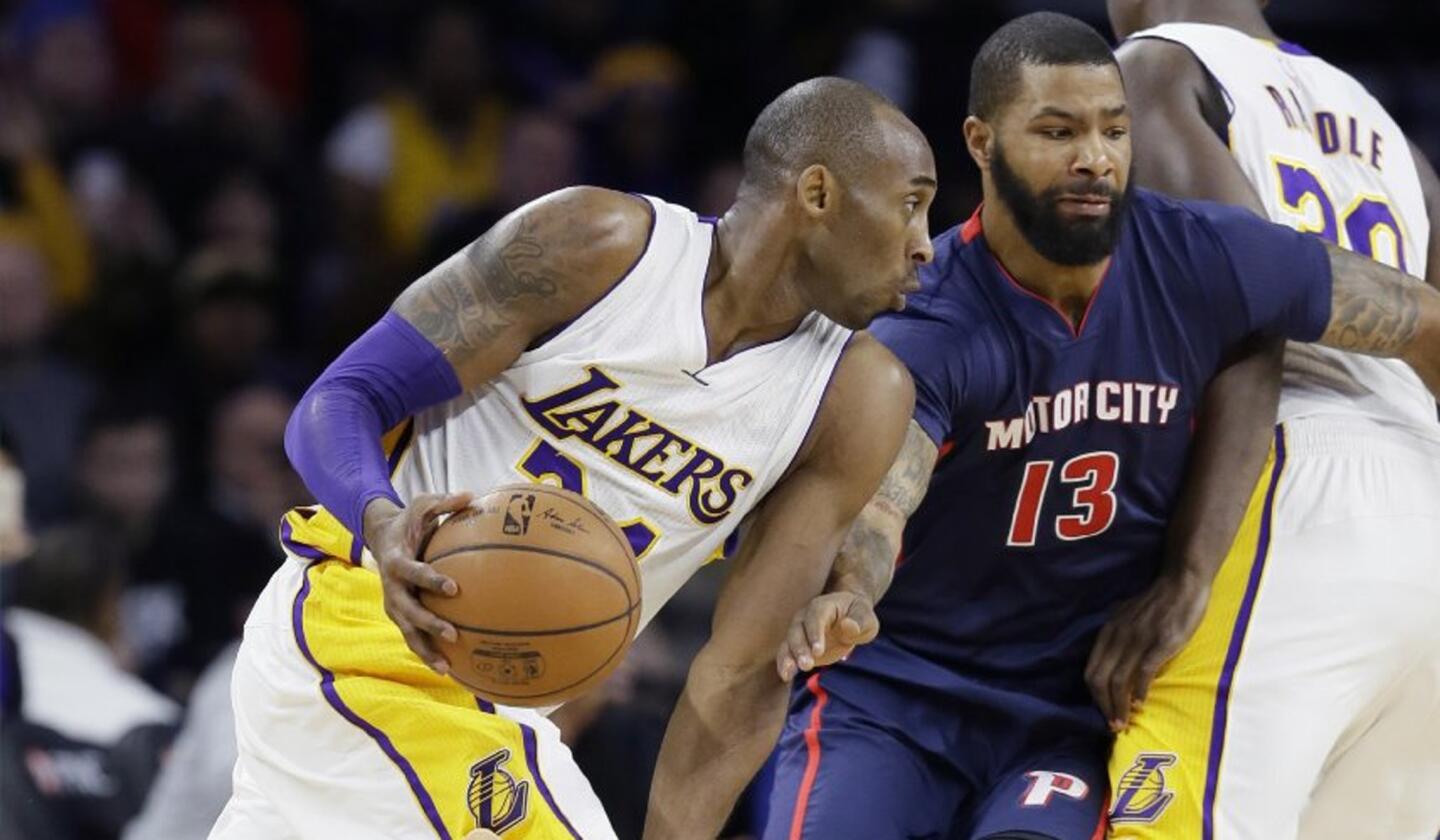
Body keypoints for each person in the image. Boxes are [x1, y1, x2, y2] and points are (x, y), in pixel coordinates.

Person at [766, 13, 1440, 840]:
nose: (1095, 156)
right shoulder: (931, 321)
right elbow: (880, 503)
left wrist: (1190, 576)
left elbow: (1349, 327)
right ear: (981, 142)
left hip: (1091, 684)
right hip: (905, 697)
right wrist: (851, 590)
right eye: (1058, 132)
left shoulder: (1194, 235)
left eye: (1113, 131)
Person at [210, 77, 937, 840]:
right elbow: (340, 399)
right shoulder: (599, 245)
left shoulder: (856, 398)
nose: (925, 242)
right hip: (363, 626)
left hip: (507, 693)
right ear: (817, 193)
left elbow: (741, 674)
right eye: (910, 204)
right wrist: (381, 521)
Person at [1093, 3, 1440, 838]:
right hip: (1422, 497)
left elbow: (1247, 304)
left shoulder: (1149, 71)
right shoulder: (1371, 111)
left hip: (1281, 489)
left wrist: (1189, 568)